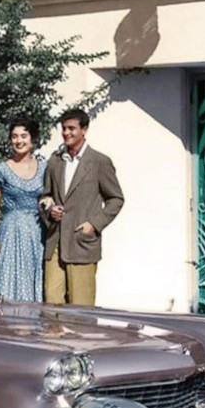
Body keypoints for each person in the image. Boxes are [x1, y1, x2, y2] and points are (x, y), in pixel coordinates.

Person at [40, 108, 124, 307]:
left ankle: (80, 340)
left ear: (84, 130)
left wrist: (94, 225)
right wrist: (49, 208)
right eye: (64, 129)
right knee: (51, 304)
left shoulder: (99, 162)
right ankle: (54, 339)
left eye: (72, 128)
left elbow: (116, 199)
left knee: (81, 307)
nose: (66, 133)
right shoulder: (55, 161)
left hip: (81, 242)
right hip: (56, 242)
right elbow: (46, 195)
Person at [0, 115, 47, 302]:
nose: (19, 141)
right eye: (15, 136)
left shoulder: (45, 169)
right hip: (11, 233)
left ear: (33, 139)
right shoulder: (1, 170)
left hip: (37, 233)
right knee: (10, 280)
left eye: (23, 136)